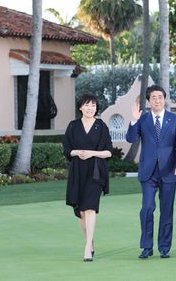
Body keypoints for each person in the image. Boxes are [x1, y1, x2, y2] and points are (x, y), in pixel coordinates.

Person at [126, 85, 176, 259]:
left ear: (164, 99)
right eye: (154, 98)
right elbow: (131, 138)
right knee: (147, 208)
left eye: (160, 97)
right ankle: (146, 246)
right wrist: (134, 121)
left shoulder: (174, 120)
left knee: (166, 211)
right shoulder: (143, 119)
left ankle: (164, 247)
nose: (157, 100)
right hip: (148, 172)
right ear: (149, 101)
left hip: (169, 171)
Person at [63, 94, 113, 262]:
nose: (90, 108)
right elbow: (67, 149)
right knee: (81, 211)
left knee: (90, 208)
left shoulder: (101, 126)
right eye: (87, 105)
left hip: (96, 172)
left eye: (93, 105)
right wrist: (77, 152)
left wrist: (92, 153)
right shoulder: (73, 126)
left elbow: (108, 152)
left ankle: (86, 248)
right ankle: (90, 242)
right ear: (80, 107)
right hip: (77, 171)